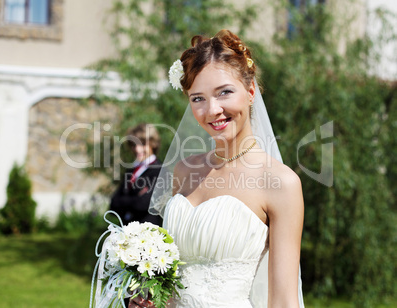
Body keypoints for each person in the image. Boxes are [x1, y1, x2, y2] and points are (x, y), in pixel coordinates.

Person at [130, 29, 304, 308]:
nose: (212, 110)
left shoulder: (280, 182)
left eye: (224, 92)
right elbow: (174, 277)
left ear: (250, 92)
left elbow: (283, 299)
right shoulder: (184, 171)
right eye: (198, 98)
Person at [110, 123, 162, 227]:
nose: (137, 149)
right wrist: (135, 199)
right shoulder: (131, 171)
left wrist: (124, 200)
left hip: (148, 232)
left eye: (142, 144)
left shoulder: (159, 170)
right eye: (134, 145)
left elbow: (144, 204)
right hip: (126, 230)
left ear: (153, 144)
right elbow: (113, 204)